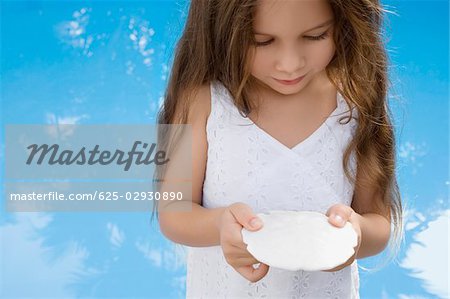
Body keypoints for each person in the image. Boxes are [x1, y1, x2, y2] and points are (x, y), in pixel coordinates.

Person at [154, 0, 404, 298]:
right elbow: (173, 211)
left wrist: (357, 232)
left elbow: (378, 222)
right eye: (262, 41)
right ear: (219, 31)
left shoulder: (355, 102)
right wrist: (220, 225)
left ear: (344, 24)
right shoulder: (201, 100)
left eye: (315, 36)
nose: (290, 63)